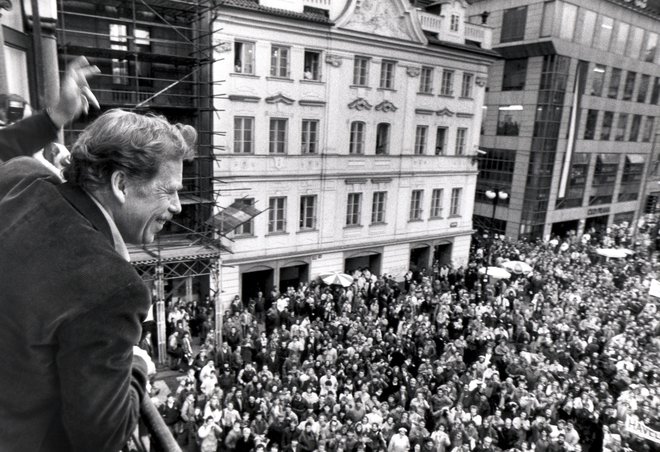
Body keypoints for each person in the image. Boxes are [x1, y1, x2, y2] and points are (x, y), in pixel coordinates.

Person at [0, 59, 196, 451]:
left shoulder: (22, 177)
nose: (178, 206)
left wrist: (55, 116)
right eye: (168, 190)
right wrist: (139, 364)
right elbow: (101, 436)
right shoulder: (112, 288)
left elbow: (8, 151)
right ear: (121, 183)